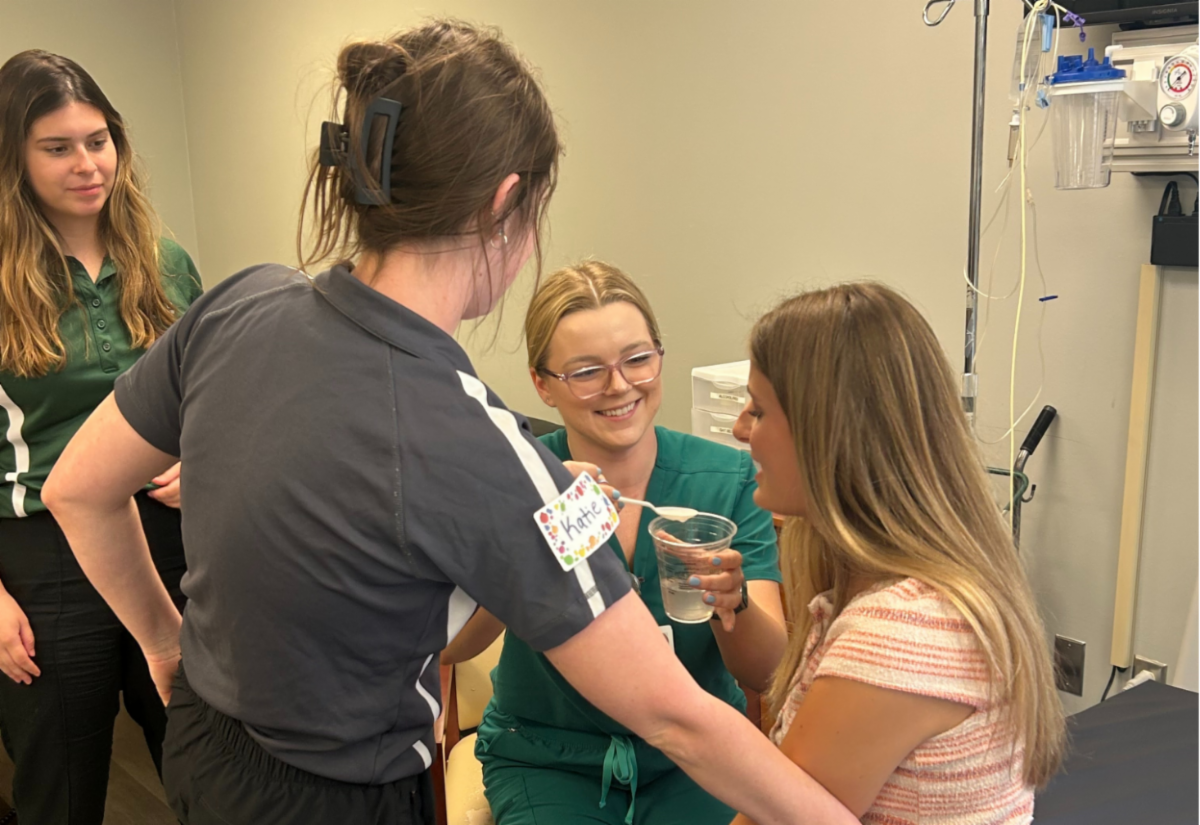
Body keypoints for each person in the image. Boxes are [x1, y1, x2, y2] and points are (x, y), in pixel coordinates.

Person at [42, 21, 855, 825]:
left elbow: (75, 489)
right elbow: (679, 716)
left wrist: (164, 640)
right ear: (505, 202)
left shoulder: (241, 302)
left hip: (204, 744)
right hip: (337, 798)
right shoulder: (480, 445)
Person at [442, 260, 786, 825]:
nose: (620, 385)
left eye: (637, 359)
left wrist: (735, 603)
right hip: (548, 761)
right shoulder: (516, 479)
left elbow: (767, 674)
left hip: (696, 757)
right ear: (542, 385)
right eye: (586, 371)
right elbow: (453, 647)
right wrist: (532, 538)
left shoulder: (728, 480)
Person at [729, 283, 1067, 825]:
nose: (740, 428)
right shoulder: (885, 590)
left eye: (759, 410)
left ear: (829, 434)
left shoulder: (901, 630)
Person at [0, 50, 202, 823]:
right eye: (57, 148)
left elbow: (212, 397)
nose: (88, 165)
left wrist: (201, 460)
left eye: (98, 140)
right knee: (62, 785)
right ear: (14, 159)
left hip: (169, 534)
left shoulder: (165, 262)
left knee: (204, 759)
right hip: (43, 552)